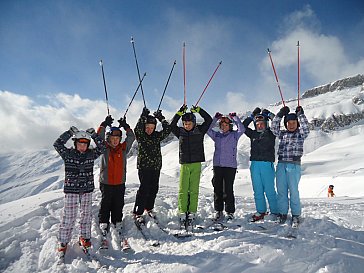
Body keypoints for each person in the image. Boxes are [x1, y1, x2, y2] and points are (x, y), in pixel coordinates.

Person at [53, 126, 106, 258]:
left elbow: (103, 148)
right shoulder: (68, 154)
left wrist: (94, 135)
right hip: (71, 190)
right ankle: (63, 241)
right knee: (69, 216)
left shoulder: (91, 154)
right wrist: (69, 132)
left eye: (85, 144)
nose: (82, 146)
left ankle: (85, 238)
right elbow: (57, 144)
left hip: (87, 189)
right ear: (75, 143)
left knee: (86, 215)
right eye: (80, 143)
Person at [170, 105, 212, 228]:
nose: (186, 125)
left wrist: (199, 110)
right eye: (184, 123)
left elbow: (208, 120)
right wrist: (179, 113)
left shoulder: (200, 130)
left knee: (193, 190)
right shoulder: (180, 132)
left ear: (194, 123)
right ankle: (182, 211)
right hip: (184, 164)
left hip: (196, 163)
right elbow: (172, 125)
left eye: (189, 123)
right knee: (183, 189)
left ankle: (192, 211)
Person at [97, 115, 135, 242]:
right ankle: (103, 222)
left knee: (118, 203)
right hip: (106, 182)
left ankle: (117, 221)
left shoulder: (123, 148)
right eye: (112, 138)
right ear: (108, 139)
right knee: (106, 202)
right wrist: (103, 124)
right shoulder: (104, 148)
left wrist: (126, 126)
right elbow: (98, 137)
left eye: (117, 138)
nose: (115, 141)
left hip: (119, 182)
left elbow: (131, 137)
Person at [271, 105, 309, 226]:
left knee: (293, 191)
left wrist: (300, 115)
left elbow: (307, 129)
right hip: (281, 164)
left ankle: (296, 215)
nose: (291, 125)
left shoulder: (300, 134)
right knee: (281, 191)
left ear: (297, 123)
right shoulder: (282, 134)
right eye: (289, 123)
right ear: (286, 124)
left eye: (294, 122)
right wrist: (281, 113)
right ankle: (282, 213)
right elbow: (273, 127)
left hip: (294, 165)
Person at [132, 107, 172, 225]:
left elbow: (168, 129)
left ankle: (149, 208)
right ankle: (138, 212)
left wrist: (161, 118)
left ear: (155, 128)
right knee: (144, 189)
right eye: (147, 127)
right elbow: (136, 129)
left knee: (154, 188)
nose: (149, 130)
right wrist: (142, 116)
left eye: (152, 127)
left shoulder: (157, 136)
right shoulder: (141, 136)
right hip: (144, 167)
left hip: (155, 167)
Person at [207, 112, 245, 222]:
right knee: (217, 188)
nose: (224, 127)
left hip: (230, 166)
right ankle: (219, 211)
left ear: (230, 126)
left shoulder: (234, 135)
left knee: (228, 189)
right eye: (222, 125)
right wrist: (215, 119)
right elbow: (208, 130)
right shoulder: (217, 136)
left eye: (226, 125)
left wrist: (235, 118)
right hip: (218, 165)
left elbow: (242, 129)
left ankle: (230, 212)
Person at [243, 107, 279, 222]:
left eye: (262, 123)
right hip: (254, 164)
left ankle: (274, 212)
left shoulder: (271, 133)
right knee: (257, 190)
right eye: (257, 123)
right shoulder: (253, 134)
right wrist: (251, 116)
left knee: (269, 190)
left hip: (266, 164)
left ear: (266, 123)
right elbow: (242, 127)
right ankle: (261, 211)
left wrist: (268, 114)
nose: (260, 125)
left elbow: (277, 122)